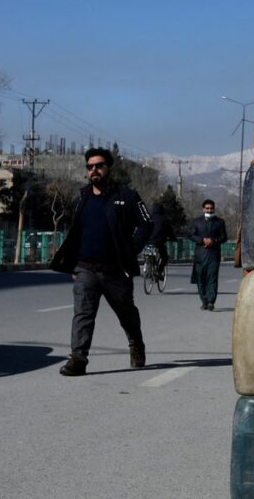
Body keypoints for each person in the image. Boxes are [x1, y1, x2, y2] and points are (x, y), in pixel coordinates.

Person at [49, 147, 153, 376]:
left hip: (116, 270)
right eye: (90, 167)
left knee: (126, 313)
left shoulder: (126, 197)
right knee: (83, 314)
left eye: (99, 165)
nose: (94, 170)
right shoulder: (81, 199)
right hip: (86, 268)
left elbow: (147, 223)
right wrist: (72, 265)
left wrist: (131, 249)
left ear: (109, 168)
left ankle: (136, 343)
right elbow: (75, 234)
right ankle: (78, 358)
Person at [190, 199, 228, 311]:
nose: (209, 210)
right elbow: (191, 235)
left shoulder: (219, 222)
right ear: (203, 209)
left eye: (211, 208)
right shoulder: (196, 222)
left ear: (214, 209)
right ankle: (204, 301)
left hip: (213, 255)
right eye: (207, 208)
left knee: (212, 279)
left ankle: (211, 301)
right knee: (200, 280)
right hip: (200, 256)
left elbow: (224, 237)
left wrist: (213, 241)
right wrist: (202, 240)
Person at [146, 203, 176, 278]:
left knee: (148, 254)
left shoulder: (148, 218)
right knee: (165, 257)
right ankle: (159, 272)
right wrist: (173, 239)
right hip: (159, 243)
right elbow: (170, 232)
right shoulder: (164, 220)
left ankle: (149, 267)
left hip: (147, 242)